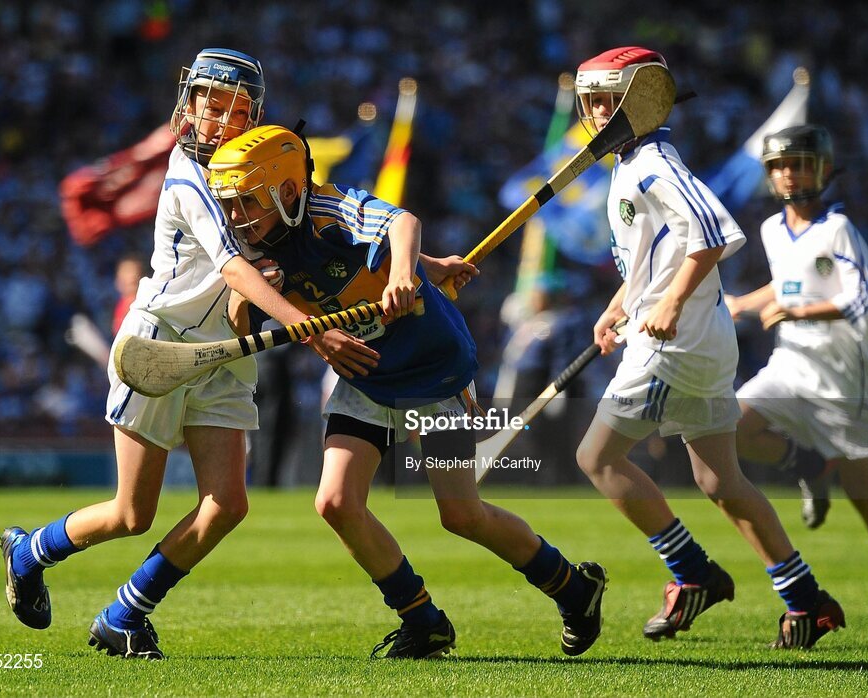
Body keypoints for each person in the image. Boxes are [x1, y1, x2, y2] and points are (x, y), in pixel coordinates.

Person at [0, 48, 366, 660]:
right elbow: (233, 268)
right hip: (160, 346)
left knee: (227, 504)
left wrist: (417, 264)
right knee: (131, 513)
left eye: (232, 108)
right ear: (187, 102)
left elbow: (312, 223)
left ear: (253, 114)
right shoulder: (187, 174)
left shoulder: (259, 164)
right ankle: (29, 551)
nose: (217, 119)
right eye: (207, 103)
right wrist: (311, 327)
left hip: (224, 353)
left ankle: (123, 614)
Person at [209, 124, 608, 659]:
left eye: (245, 203)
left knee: (462, 515)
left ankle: (575, 589)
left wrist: (406, 270)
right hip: (367, 376)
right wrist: (245, 308)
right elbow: (250, 314)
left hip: (433, 370)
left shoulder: (330, 207)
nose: (235, 218)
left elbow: (400, 222)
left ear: (286, 192)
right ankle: (421, 618)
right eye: (229, 206)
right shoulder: (256, 247)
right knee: (335, 501)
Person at [571, 47, 844, 649]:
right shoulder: (627, 163)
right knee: (720, 480)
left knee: (598, 458)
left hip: (678, 341)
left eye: (601, 99)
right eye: (586, 100)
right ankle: (806, 602)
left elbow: (713, 234)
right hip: (690, 337)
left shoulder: (653, 162)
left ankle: (692, 573)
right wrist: (620, 304)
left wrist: (666, 306)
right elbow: (657, 256)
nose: (590, 112)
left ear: (637, 101)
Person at [726, 124, 868, 609]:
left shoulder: (838, 229)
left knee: (860, 486)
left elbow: (866, 297)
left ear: (823, 169)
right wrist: (742, 303)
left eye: (799, 164)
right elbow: (787, 284)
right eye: (779, 167)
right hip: (791, 361)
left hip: (843, 373)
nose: (789, 175)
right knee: (732, 426)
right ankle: (810, 465)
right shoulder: (772, 229)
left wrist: (800, 311)